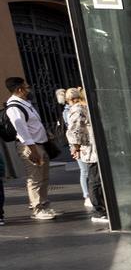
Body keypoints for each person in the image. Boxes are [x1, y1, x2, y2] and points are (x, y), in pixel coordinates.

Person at [5, 76, 54, 219]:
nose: (28, 89)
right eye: (26, 87)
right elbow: (22, 131)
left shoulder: (25, 103)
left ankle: (44, 205)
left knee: (43, 177)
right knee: (34, 178)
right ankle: (37, 209)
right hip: (30, 147)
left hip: (39, 144)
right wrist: (33, 151)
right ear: (19, 89)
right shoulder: (14, 107)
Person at [64, 87, 106, 223]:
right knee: (95, 179)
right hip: (91, 149)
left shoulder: (84, 107)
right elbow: (75, 130)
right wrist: (75, 147)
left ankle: (102, 207)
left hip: (94, 148)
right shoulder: (78, 109)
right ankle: (99, 210)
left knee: (97, 178)